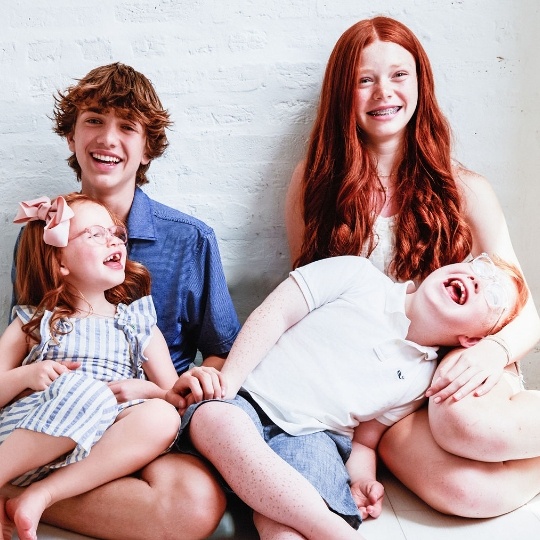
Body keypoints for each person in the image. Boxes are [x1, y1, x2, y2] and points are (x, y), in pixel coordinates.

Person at [284, 15, 540, 518]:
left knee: (468, 428)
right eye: (364, 79)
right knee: (468, 494)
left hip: (455, 360)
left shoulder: (465, 188)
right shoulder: (310, 184)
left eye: (399, 75)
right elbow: (304, 298)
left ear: (420, 83)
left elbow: (526, 308)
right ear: (343, 91)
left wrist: (492, 353)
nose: (384, 92)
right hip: (381, 386)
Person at [5, 64, 241, 539]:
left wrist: (181, 388)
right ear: (71, 136)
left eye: (127, 126)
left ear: (147, 147)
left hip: (135, 426)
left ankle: (15, 497)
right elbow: (34, 335)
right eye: (93, 120)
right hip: (49, 422)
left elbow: (222, 350)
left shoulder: (190, 239)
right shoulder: (43, 238)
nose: (107, 138)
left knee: (195, 505)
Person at [165, 253, 526, 539]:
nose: (480, 279)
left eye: (493, 295)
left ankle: (304, 521)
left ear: (473, 341)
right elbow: (274, 314)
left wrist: (361, 480)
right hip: (248, 397)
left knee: (286, 527)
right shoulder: (357, 276)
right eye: (479, 265)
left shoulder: (422, 377)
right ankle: (330, 530)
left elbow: (366, 439)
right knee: (215, 417)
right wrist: (230, 380)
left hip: (314, 438)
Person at [1, 193, 181, 540]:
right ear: (60, 264)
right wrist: (26, 375)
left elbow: (175, 397)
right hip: (26, 440)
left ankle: (41, 495)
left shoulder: (138, 323)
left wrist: (149, 391)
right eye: (95, 235)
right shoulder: (34, 321)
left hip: (92, 454)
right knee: (87, 391)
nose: (113, 239)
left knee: (163, 416)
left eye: (116, 234)